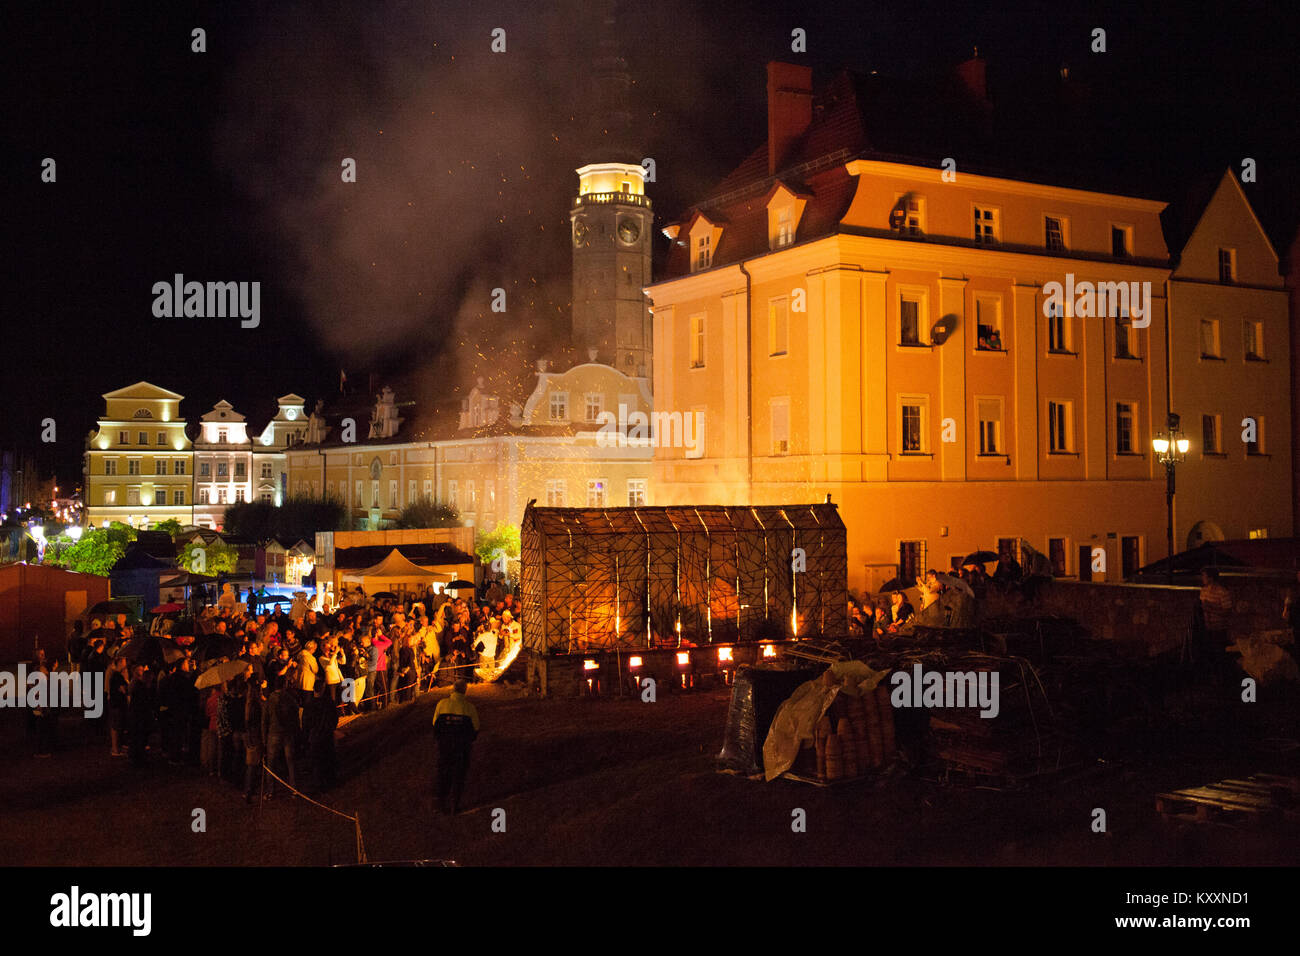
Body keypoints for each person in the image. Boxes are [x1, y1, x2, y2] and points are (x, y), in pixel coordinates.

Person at [432, 679, 480, 815]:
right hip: (462, 748)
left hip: (444, 746)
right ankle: (455, 805)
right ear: (465, 691)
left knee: (443, 773)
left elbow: (435, 723)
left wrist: (440, 738)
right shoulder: (469, 708)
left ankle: (441, 803)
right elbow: (476, 727)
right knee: (459, 775)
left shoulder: (442, 704)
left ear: (453, 689)